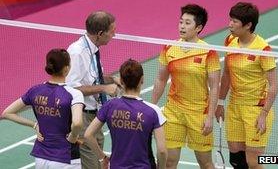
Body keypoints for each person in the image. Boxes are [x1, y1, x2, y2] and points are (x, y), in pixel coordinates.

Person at [152, 4, 220, 169]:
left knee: (205, 163)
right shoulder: (169, 48)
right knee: (168, 162)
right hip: (174, 112)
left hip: (199, 115)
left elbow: (214, 87)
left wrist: (210, 116)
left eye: (187, 23)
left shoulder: (208, 52)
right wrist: (152, 107)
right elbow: (161, 79)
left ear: (199, 27)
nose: (182, 26)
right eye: (181, 22)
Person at [215, 2, 278, 169]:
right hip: (235, 107)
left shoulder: (262, 49)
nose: (230, 24)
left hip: (256, 109)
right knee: (236, 160)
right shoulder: (230, 41)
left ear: (248, 25)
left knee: (254, 163)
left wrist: (264, 114)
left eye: (235, 21)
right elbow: (227, 74)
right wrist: (221, 102)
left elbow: (274, 85)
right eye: (230, 19)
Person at [1, 48, 84, 168]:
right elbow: (77, 123)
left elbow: (7, 113)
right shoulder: (74, 94)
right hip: (65, 158)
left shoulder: (35, 90)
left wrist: (34, 125)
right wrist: (73, 137)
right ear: (66, 68)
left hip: (41, 157)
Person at [84, 59, 167, 169]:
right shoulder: (153, 111)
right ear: (142, 80)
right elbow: (162, 151)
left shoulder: (109, 106)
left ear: (121, 81)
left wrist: (102, 158)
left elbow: (88, 135)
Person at [66, 11, 121, 169]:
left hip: (95, 115)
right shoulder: (77, 52)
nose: (114, 34)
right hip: (82, 117)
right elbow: (72, 88)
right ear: (100, 33)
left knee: (97, 162)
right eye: (112, 31)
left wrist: (112, 79)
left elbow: (93, 77)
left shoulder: (93, 48)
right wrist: (104, 88)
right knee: (92, 164)